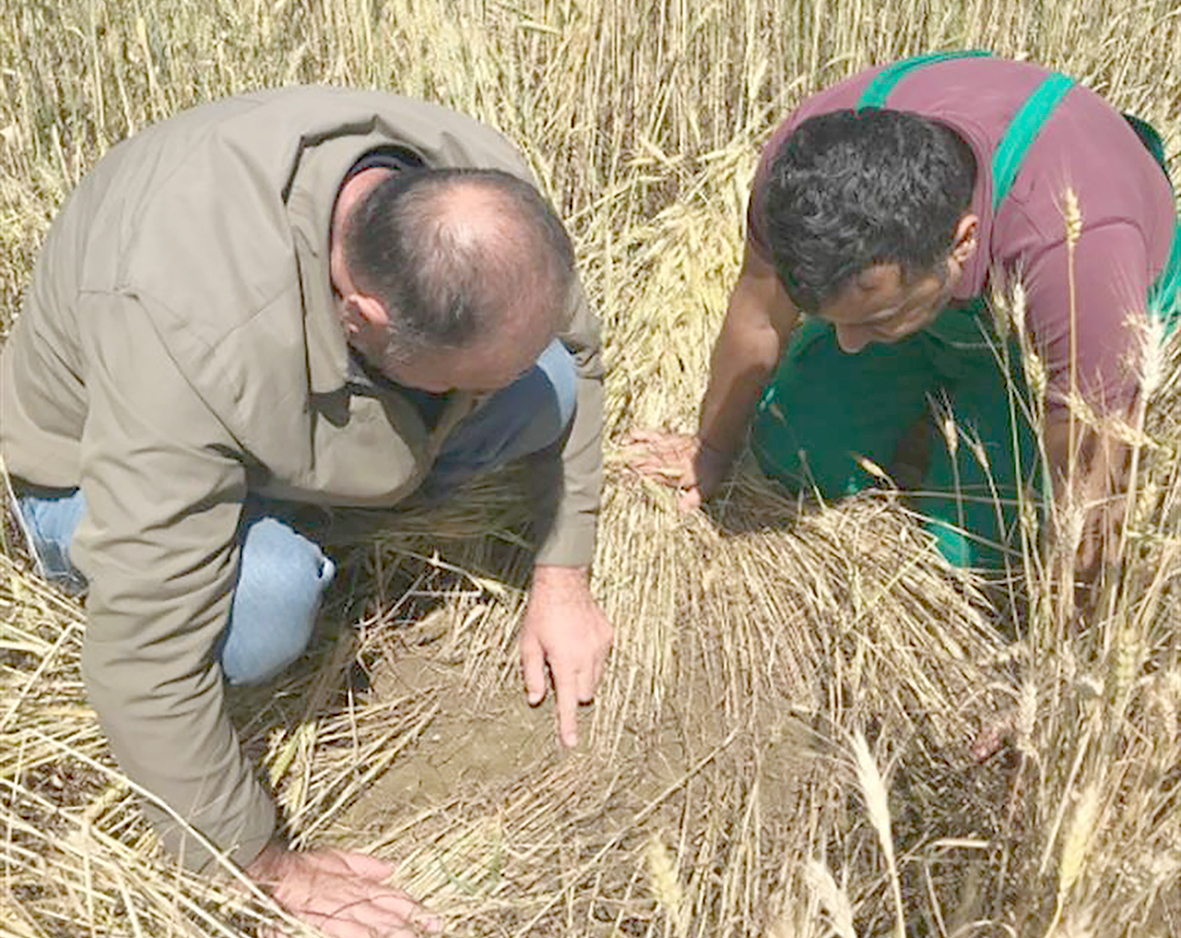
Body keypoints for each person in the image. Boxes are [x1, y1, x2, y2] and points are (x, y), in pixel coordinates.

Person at [0, 86, 613, 937]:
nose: (485, 396)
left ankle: (341, 495)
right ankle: (267, 534)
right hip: (92, 467)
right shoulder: (181, 322)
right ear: (363, 319)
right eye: (465, 382)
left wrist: (562, 569)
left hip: (275, 391)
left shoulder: (481, 198)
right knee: (267, 604)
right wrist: (257, 860)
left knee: (543, 387)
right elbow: (145, 652)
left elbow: (576, 356)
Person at [627, 51, 1180, 571]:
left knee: (964, 551)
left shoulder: (1075, 253)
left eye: (873, 322)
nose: (846, 343)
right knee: (792, 458)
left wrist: (1073, 637)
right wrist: (713, 448)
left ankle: (967, 415)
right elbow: (759, 312)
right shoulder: (804, 180)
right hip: (937, 286)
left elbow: (1090, 483)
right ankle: (923, 406)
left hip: (1062, 319)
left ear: (963, 243)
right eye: (832, 320)